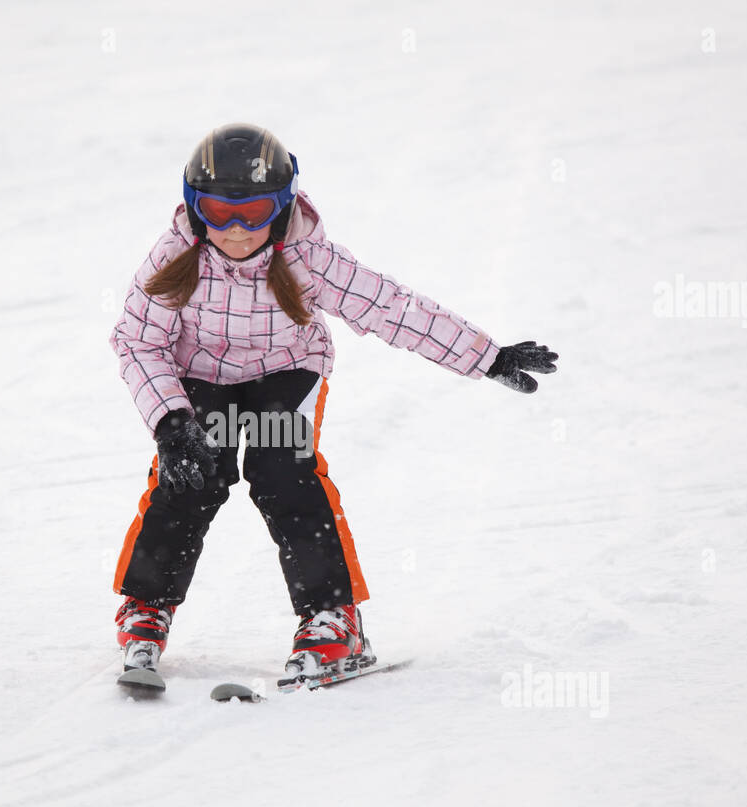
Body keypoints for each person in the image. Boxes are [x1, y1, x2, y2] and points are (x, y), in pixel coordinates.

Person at [109, 122, 558, 687]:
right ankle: (145, 607)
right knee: (190, 476)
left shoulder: (307, 258)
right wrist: (172, 423)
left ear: (284, 204)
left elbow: (391, 309)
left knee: (284, 475)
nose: (239, 230)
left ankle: (332, 618)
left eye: (257, 211)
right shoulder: (175, 257)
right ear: (195, 207)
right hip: (199, 375)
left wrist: (486, 356)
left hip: (286, 372)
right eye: (221, 212)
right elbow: (138, 340)